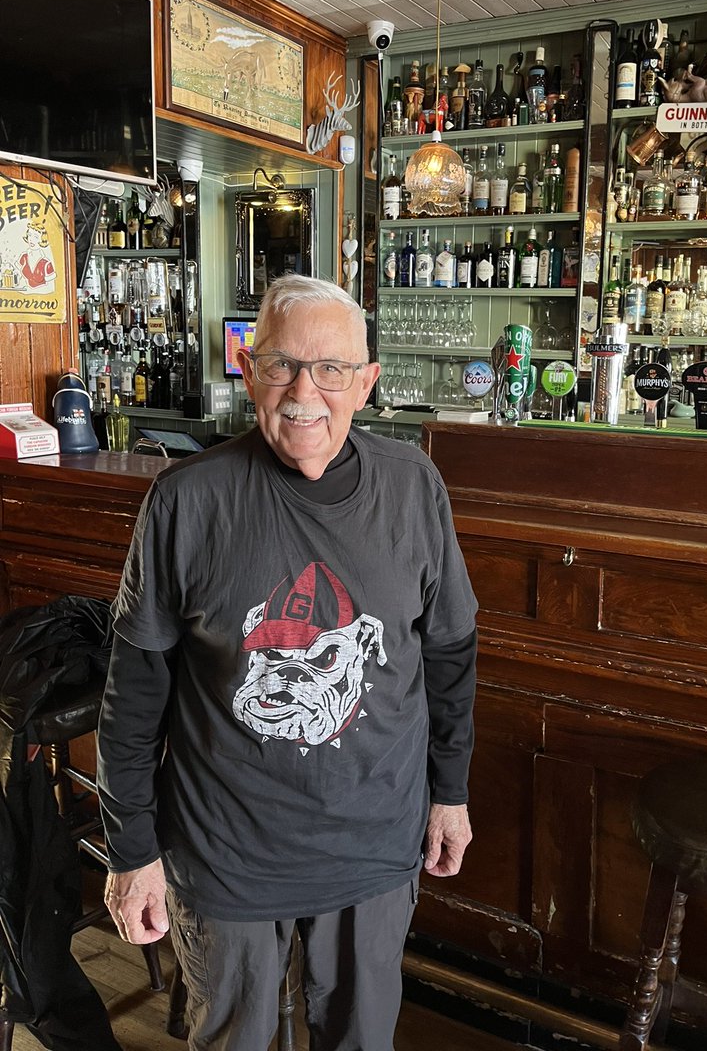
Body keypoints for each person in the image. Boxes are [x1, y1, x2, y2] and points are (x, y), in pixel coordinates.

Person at [98, 275, 478, 1051]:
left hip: (374, 845)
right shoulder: (186, 501)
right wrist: (131, 849)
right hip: (225, 854)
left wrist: (451, 794)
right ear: (248, 370)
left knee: (360, 1041)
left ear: (367, 383)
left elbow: (449, 655)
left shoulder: (413, 489)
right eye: (281, 366)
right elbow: (133, 695)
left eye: (332, 369)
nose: (306, 391)